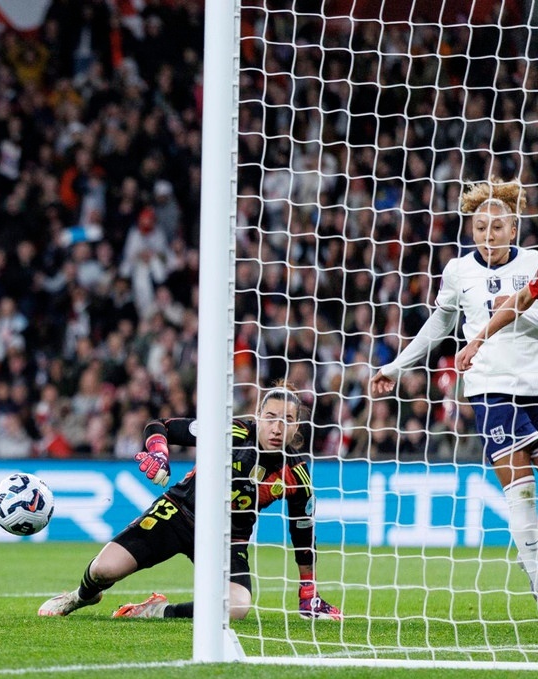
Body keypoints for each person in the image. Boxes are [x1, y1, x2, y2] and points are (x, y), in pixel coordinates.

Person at [38, 383, 342, 621]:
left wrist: (308, 592)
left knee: (237, 607)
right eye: (271, 417)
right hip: (177, 513)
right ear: (258, 418)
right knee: (104, 570)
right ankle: (79, 596)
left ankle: (157, 610)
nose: (277, 428)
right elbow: (161, 425)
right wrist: (159, 451)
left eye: (287, 420)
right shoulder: (231, 431)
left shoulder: (296, 476)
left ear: (297, 427)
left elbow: (303, 534)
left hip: (226, 539)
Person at [373, 178, 538, 595]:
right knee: (520, 492)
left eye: (497, 227)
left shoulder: (533, 264)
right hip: (491, 389)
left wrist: (516, 311)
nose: (488, 235)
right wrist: (396, 366)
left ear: (514, 229)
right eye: (480, 227)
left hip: (535, 381)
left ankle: (529, 546)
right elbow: (438, 327)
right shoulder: (458, 271)